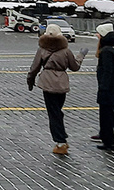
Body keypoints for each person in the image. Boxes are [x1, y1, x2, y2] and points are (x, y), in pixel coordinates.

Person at [27, 23, 86, 155]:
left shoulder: (42, 49)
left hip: (47, 83)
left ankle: (60, 142)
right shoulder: (65, 51)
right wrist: (81, 55)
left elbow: (34, 67)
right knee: (57, 111)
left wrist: (30, 81)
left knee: (53, 113)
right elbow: (75, 67)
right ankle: (62, 136)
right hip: (62, 84)